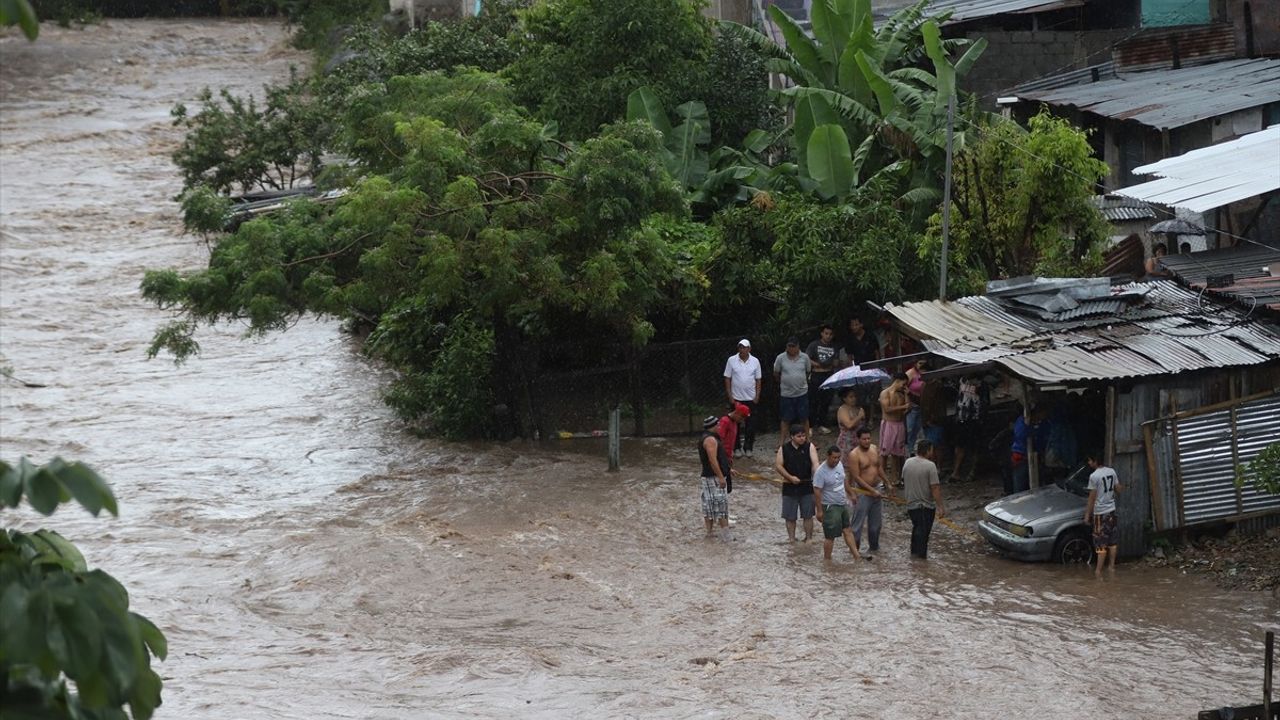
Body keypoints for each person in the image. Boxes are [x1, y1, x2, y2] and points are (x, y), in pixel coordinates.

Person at [813, 445, 862, 561]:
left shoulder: (839, 465)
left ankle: (857, 556)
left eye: (838, 458)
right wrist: (819, 510)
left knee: (847, 530)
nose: (836, 460)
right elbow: (817, 491)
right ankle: (827, 560)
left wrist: (851, 493)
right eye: (834, 458)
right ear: (828, 457)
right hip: (830, 506)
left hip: (842, 503)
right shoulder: (821, 472)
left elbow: (843, 481)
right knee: (830, 536)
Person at [846, 428, 890, 555]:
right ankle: (855, 552)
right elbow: (856, 477)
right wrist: (870, 491)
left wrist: (887, 482)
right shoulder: (854, 455)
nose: (866, 441)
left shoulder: (874, 449)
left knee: (876, 526)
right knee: (857, 526)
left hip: (877, 489)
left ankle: (874, 550)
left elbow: (879, 467)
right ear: (858, 439)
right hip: (863, 492)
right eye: (864, 439)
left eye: (868, 438)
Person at [774, 424, 819, 542]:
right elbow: (778, 466)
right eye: (799, 436)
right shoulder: (783, 448)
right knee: (790, 516)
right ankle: (791, 539)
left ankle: (809, 538)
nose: (802, 438)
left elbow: (815, 464)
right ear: (792, 437)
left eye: (804, 436)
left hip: (807, 486)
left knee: (808, 515)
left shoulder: (810, 447)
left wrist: (817, 477)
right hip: (789, 486)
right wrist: (789, 477)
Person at [903, 439, 945, 560]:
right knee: (923, 535)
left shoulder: (908, 462)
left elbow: (904, 479)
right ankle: (920, 561)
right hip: (924, 507)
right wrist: (940, 507)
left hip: (911, 506)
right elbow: (935, 488)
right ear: (928, 451)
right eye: (932, 450)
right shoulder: (930, 466)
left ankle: (914, 556)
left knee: (916, 530)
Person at [1084, 452, 1121, 578]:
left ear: (1095, 461)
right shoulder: (1112, 471)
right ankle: (1111, 567)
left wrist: (1087, 515)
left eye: (1090, 460)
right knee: (1112, 541)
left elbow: (1091, 499)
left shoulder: (1094, 476)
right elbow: (1118, 489)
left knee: (1100, 543)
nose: (1089, 463)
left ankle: (1098, 572)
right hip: (1111, 511)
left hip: (1100, 513)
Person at [724, 339, 762, 458]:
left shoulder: (755, 361)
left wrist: (757, 395)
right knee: (735, 424)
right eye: (740, 347)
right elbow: (727, 378)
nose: (742, 349)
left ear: (749, 349)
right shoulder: (731, 360)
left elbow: (758, 380)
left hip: (750, 398)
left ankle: (748, 447)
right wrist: (730, 396)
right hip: (736, 398)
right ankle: (736, 448)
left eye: (744, 347)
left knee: (751, 425)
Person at [773, 336, 812, 445]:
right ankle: (782, 442)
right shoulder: (780, 358)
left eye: (793, 346)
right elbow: (776, 373)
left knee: (804, 418)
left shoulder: (805, 357)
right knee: (785, 419)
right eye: (789, 346)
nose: (791, 348)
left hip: (802, 392)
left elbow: (808, 371)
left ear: (798, 346)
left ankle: (807, 440)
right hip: (786, 393)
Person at [840, 317, 879, 422]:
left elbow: (877, 352)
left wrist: (878, 367)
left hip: (871, 369)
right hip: (858, 369)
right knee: (860, 396)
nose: (854, 327)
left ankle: (871, 419)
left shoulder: (870, 336)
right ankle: (861, 418)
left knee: (872, 396)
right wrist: (851, 370)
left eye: (856, 324)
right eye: (852, 325)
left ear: (861, 325)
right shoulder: (850, 339)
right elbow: (849, 356)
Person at [697, 415, 731, 538]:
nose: (720, 426)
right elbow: (713, 460)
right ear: (713, 426)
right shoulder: (711, 440)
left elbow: (715, 460)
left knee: (709, 505)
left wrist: (728, 470)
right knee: (721, 505)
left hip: (709, 477)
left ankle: (710, 533)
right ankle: (726, 535)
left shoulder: (706, 438)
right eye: (718, 424)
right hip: (713, 478)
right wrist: (721, 477)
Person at [948, 375, 985, 482]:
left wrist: (981, 418)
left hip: (974, 419)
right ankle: (956, 472)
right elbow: (957, 397)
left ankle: (972, 472)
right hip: (961, 418)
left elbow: (985, 402)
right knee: (959, 446)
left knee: (974, 447)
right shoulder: (962, 380)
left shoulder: (981, 384)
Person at [878, 372, 911, 484]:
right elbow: (887, 409)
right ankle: (883, 479)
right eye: (904, 383)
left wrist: (907, 396)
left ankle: (895, 478)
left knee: (897, 453)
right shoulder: (885, 393)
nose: (904, 386)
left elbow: (907, 409)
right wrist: (903, 406)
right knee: (884, 453)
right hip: (889, 424)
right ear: (897, 381)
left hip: (899, 423)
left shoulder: (901, 394)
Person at [1009, 406, 1049, 495]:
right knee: (1020, 485)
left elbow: (1045, 435)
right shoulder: (1022, 421)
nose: (1044, 415)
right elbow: (1021, 435)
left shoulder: (1043, 423)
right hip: (1021, 457)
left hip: (1037, 456)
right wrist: (1030, 427)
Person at [806, 325, 838, 432]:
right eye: (826, 333)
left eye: (830, 334)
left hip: (829, 375)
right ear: (822, 333)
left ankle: (822, 424)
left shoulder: (834, 346)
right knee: (813, 401)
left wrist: (834, 363)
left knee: (826, 401)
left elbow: (836, 361)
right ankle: (810, 425)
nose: (828, 336)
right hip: (816, 375)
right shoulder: (814, 345)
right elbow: (807, 358)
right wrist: (817, 364)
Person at [716, 402, 750, 492]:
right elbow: (718, 441)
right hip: (722, 458)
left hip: (727, 459)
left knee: (728, 489)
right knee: (723, 489)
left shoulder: (734, 422)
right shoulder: (725, 421)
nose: (742, 420)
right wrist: (723, 462)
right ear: (737, 413)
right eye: (742, 417)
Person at [835, 388, 866, 457]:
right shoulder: (842, 410)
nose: (854, 399)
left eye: (855, 396)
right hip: (847, 442)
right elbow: (849, 425)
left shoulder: (857, 408)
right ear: (844, 398)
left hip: (858, 440)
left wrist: (863, 417)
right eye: (851, 397)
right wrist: (859, 416)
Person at [904, 358, 926, 454]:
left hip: (922, 405)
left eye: (923, 363)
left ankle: (918, 451)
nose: (921, 365)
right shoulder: (910, 373)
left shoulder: (925, 373)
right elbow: (903, 388)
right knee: (910, 430)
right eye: (920, 363)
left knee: (919, 430)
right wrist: (907, 402)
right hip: (912, 406)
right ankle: (909, 451)